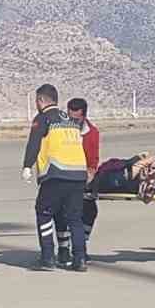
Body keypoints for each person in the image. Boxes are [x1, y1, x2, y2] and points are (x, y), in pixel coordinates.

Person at [21, 84, 90, 271]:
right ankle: (79, 259)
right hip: (78, 174)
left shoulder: (43, 118)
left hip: (56, 173)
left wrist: (27, 166)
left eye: (37, 101)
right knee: (74, 218)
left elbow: (34, 143)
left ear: (41, 100)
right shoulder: (69, 119)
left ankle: (48, 257)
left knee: (43, 213)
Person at [55, 97, 101, 264]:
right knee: (60, 211)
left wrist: (88, 180)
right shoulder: (59, 129)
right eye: (70, 117)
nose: (72, 121)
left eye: (76, 119)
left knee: (89, 210)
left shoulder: (92, 133)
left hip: (83, 176)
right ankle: (63, 248)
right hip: (63, 174)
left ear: (84, 116)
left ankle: (81, 245)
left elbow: (93, 161)